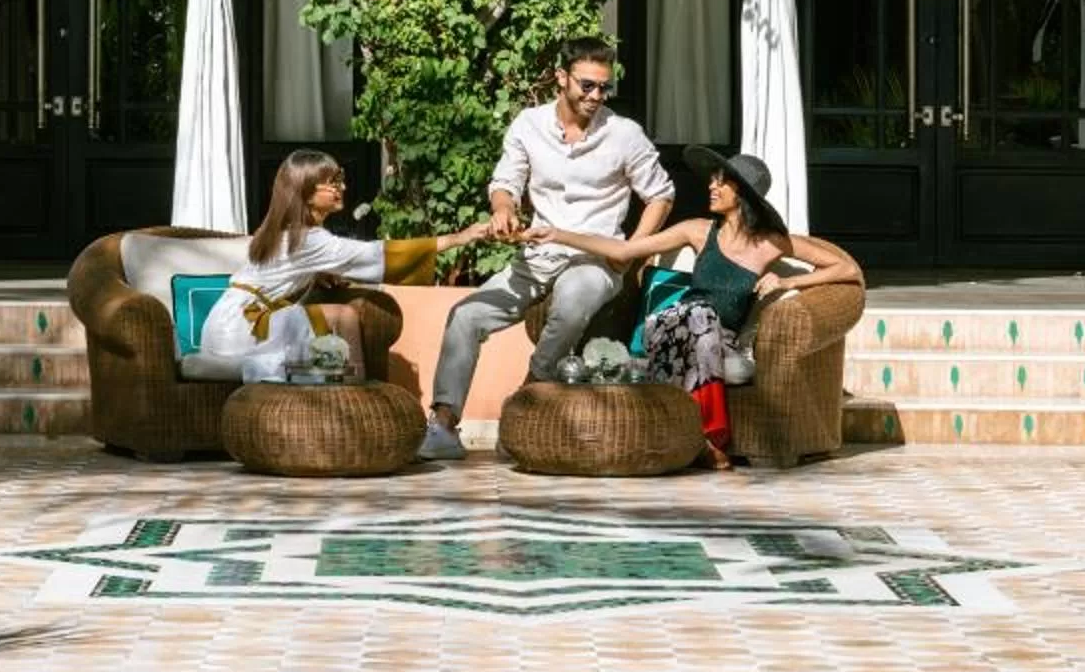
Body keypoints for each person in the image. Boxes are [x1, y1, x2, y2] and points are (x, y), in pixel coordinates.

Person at [419, 36, 674, 461]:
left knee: (574, 296)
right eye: (587, 85)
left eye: (603, 88)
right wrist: (502, 210)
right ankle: (444, 423)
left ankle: (527, 397)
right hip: (537, 255)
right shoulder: (529, 125)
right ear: (561, 78)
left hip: (595, 259)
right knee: (465, 315)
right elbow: (505, 183)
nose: (596, 96)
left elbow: (661, 195)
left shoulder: (624, 134)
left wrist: (632, 252)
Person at [529, 147, 859, 468]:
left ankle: (688, 435)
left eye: (721, 182)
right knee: (696, 314)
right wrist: (560, 235)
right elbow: (624, 250)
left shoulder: (770, 243)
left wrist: (787, 283)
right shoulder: (698, 231)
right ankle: (709, 436)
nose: (711, 187)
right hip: (671, 327)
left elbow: (847, 269)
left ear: (742, 194)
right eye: (712, 179)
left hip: (719, 339)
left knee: (704, 319)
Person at [196, 149, 484, 385]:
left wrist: (316, 275)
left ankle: (334, 381)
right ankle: (354, 390)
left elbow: (281, 274)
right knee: (344, 315)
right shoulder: (310, 240)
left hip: (221, 327)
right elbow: (378, 254)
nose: (342, 187)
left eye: (340, 179)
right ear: (307, 192)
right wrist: (459, 238)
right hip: (242, 330)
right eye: (333, 182)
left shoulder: (282, 231)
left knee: (326, 317)